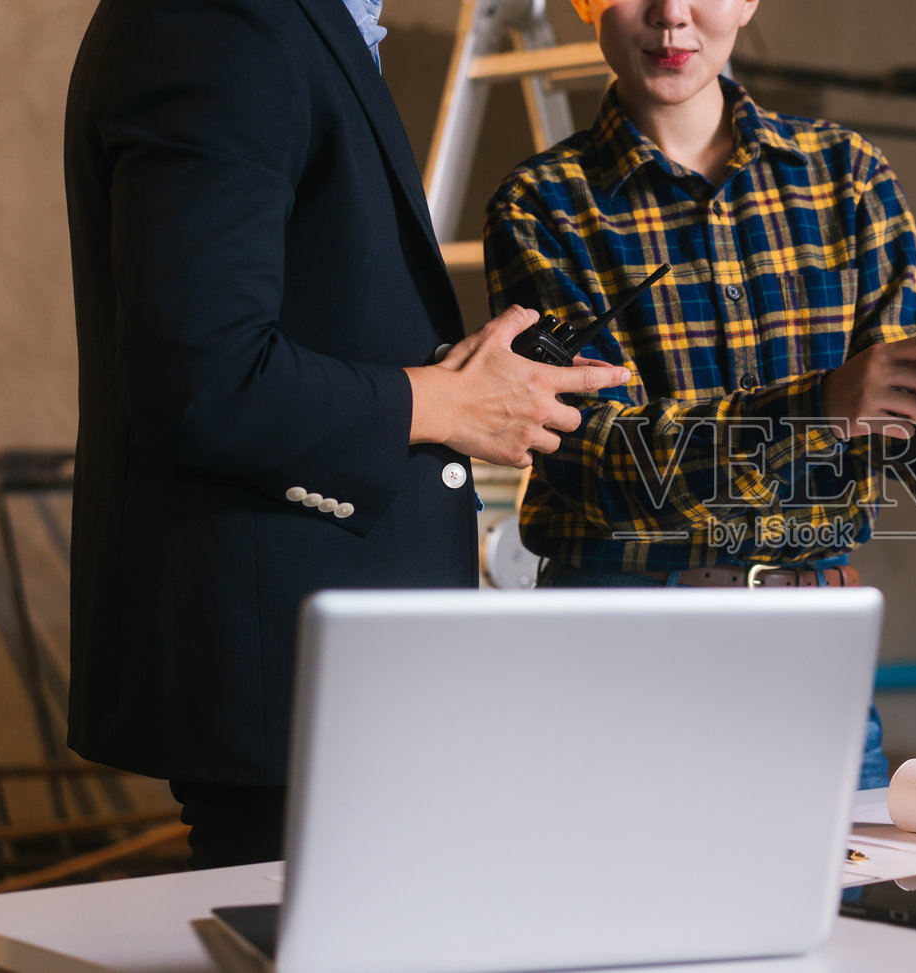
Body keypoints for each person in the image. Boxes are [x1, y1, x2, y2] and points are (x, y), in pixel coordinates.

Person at [63, 0, 628, 869]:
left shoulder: (292, 21)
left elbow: (312, 312)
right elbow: (201, 378)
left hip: (337, 665)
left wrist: (448, 375)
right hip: (282, 664)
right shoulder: (217, 20)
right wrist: (446, 404)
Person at [483, 0, 916, 788]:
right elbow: (592, 457)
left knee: (833, 911)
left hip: (809, 665)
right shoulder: (543, 206)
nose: (670, 16)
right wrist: (816, 408)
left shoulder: (847, 178)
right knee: (621, 910)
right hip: (612, 654)